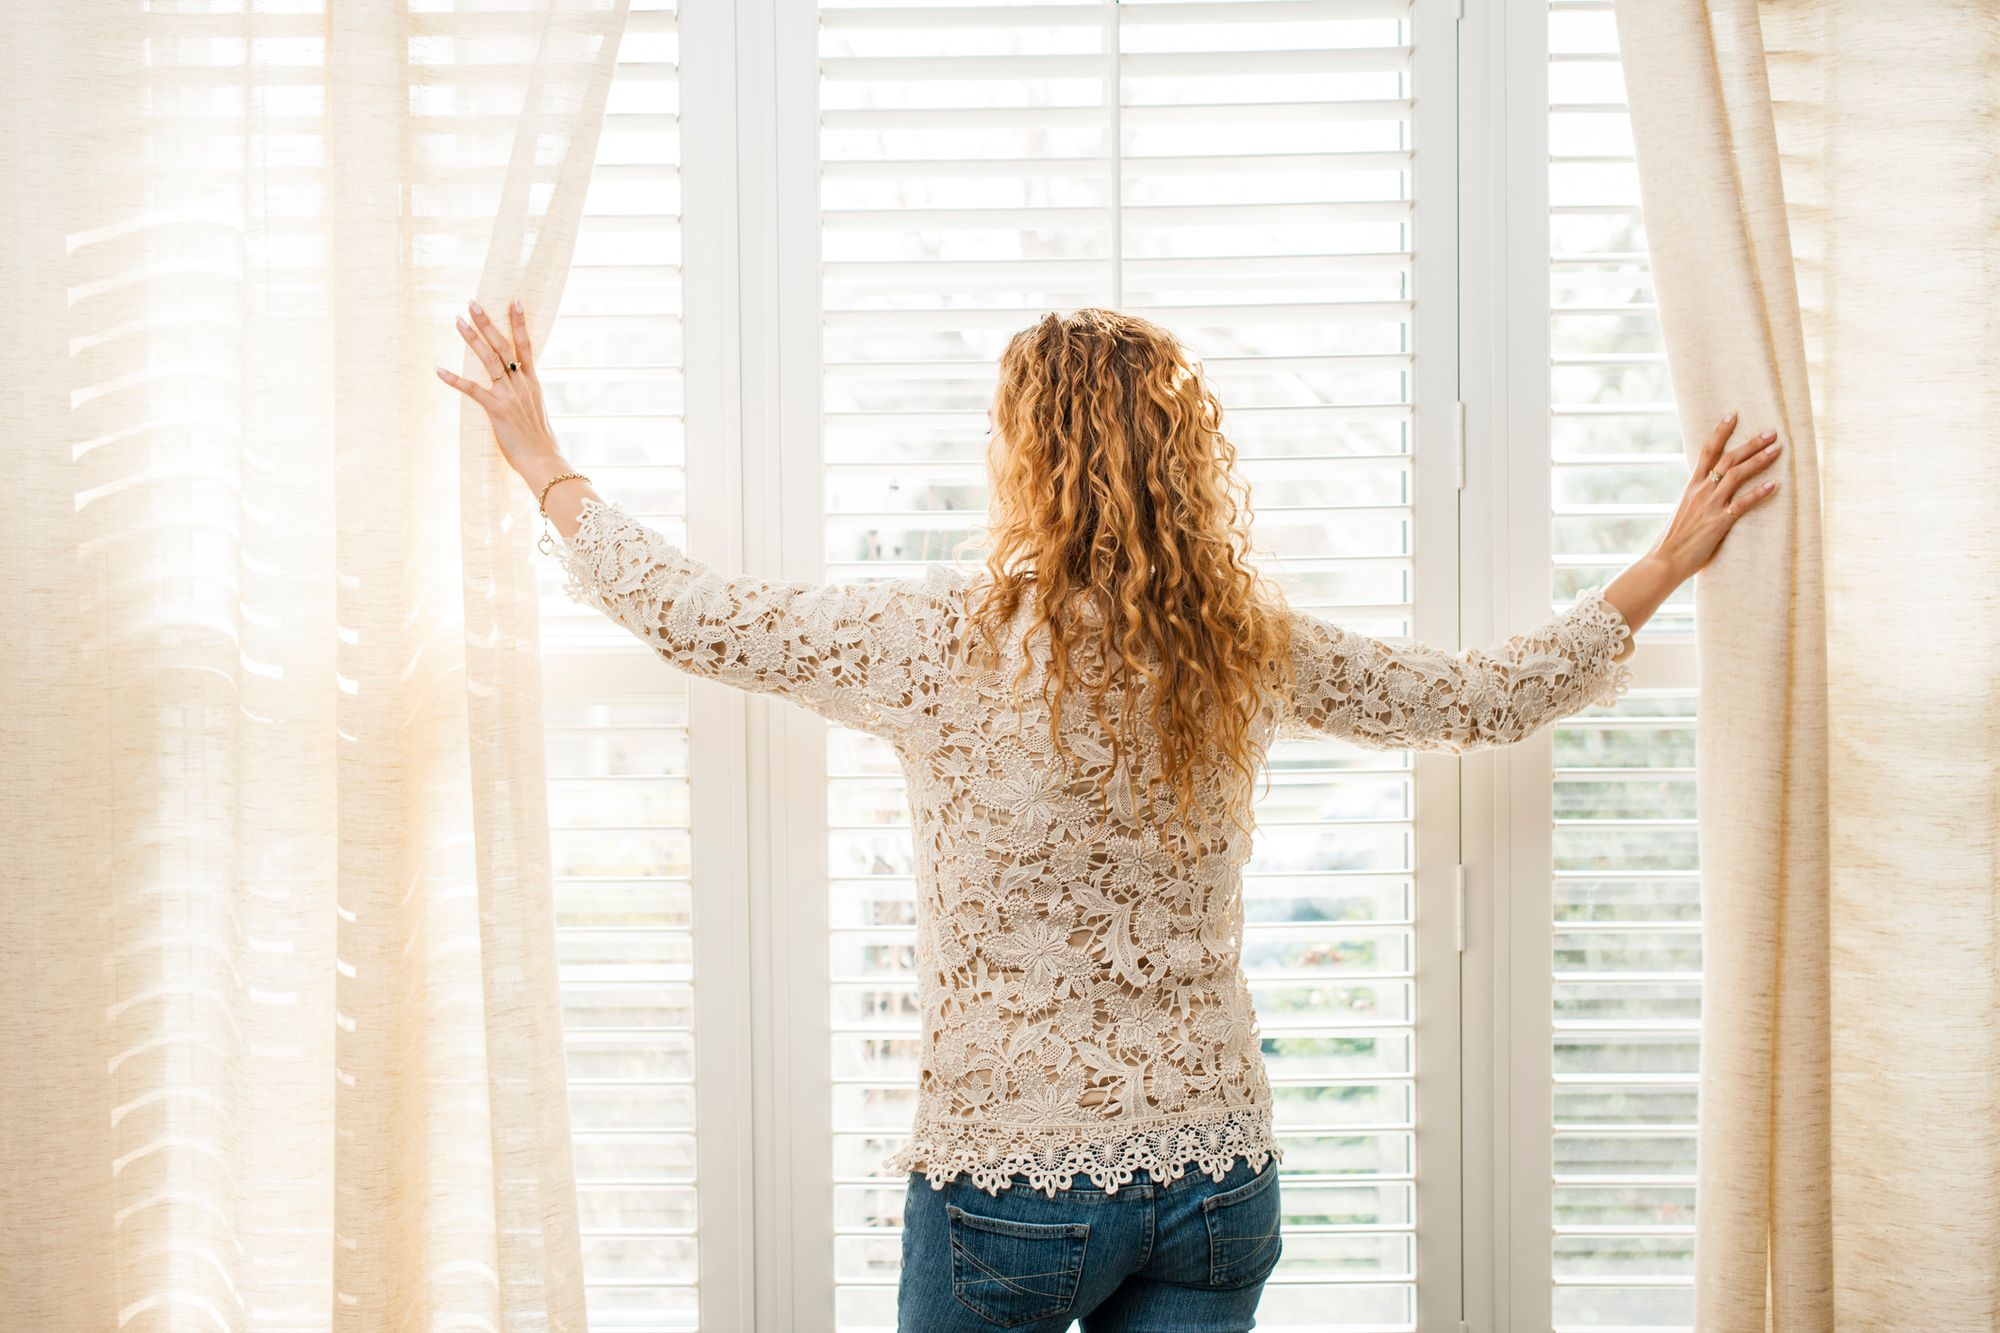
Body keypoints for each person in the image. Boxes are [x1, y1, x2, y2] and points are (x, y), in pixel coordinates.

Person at [439, 300, 1780, 1333]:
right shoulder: (1241, 646)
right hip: (1214, 1179)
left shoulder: (940, 640)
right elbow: (1480, 696)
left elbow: (700, 616)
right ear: (1182, 470)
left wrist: (542, 461)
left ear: (1029, 462)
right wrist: (1663, 558)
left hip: (1005, 1188)